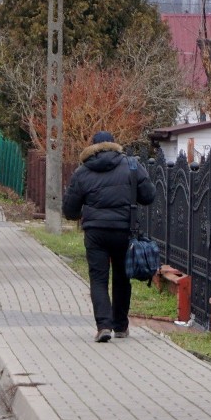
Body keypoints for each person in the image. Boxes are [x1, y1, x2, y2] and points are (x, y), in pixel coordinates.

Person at [61, 131, 156, 343]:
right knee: (122, 277)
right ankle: (121, 326)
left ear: (92, 146)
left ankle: (103, 326)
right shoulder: (131, 166)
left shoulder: (83, 171)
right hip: (124, 230)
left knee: (98, 278)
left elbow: (69, 210)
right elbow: (149, 196)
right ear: (114, 144)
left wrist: (82, 213)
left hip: (96, 233)